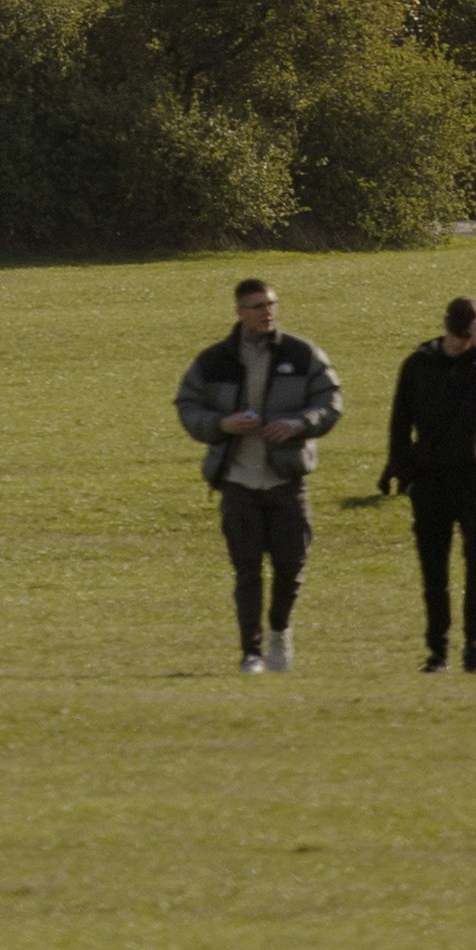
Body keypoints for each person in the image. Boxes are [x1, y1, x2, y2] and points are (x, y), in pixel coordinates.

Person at [174, 275, 344, 670]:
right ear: (238, 312)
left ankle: (279, 634)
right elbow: (188, 405)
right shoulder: (213, 360)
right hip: (238, 481)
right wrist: (221, 425)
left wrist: (300, 424)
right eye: (257, 306)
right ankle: (251, 653)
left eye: (271, 304)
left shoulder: (302, 354)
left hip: (286, 479)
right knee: (247, 572)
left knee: (291, 566)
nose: (267, 312)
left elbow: (330, 400)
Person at [378, 291, 476, 672]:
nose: (460, 341)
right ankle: (437, 654)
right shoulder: (418, 364)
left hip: (475, 481)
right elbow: (399, 423)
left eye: (468, 334)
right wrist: (404, 474)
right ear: (445, 327)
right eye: (457, 333)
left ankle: (475, 651)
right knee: (434, 573)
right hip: (430, 484)